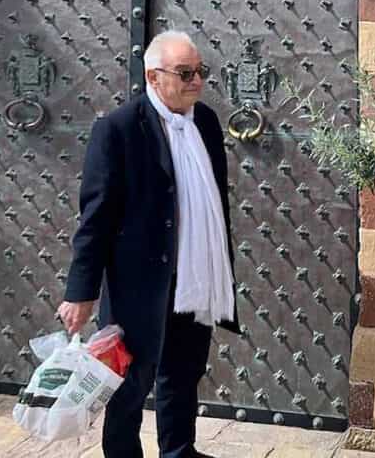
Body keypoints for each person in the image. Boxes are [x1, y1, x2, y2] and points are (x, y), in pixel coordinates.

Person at [58, 29, 239, 458]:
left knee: (183, 372)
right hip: (140, 283)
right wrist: (80, 293)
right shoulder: (118, 129)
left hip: (196, 274)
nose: (197, 81)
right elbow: (96, 216)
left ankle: (179, 451)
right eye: (185, 73)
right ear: (153, 77)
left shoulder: (207, 121)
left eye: (201, 71)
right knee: (128, 381)